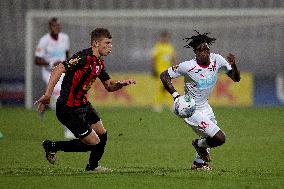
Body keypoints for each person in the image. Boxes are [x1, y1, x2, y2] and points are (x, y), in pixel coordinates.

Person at [34, 28, 136, 172]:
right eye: (107, 43)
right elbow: (58, 69)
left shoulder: (99, 63)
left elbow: (109, 86)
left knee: (102, 133)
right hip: (68, 108)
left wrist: (121, 84)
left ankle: (92, 166)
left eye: (111, 43)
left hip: (83, 104)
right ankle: (53, 146)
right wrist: (48, 94)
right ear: (95, 43)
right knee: (94, 142)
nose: (110, 46)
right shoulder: (83, 57)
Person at [160, 31, 240, 170]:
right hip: (191, 109)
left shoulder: (217, 60)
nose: (203, 52)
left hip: (205, 107)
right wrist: (176, 96)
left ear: (209, 50)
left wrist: (234, 66)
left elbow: (236, 78)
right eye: (199, 50)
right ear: (195, 52)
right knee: (220, 138)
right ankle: (198, 145)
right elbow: (164, 75)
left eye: (206, 49)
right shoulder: (188, 66)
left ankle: (198, 164)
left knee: (210, 138)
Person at [34, 17, 75, 139]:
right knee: (59, 99)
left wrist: (69, 66)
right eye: (54, 26)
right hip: (49, 73)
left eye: (58, 25)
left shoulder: (65, 38)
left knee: (67, 98)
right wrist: (51, 64)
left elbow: (67, 54)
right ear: (50, 27)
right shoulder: (44, 41)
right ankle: (68, 130)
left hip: (62, 71)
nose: (57, 27)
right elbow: (37, 60)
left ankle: (45, 105)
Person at [151, 31, 176, 112]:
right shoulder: (157, 47)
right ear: (161, 37)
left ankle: (171, 105)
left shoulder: (170, 47)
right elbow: (153, 58)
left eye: (166, 37)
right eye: (163, 37)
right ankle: (157, 105)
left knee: (169, 88)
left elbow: (173, 59)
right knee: (160, 88)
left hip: (168, 71)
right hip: (160, 71)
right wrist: (154, 69)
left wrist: (175, 69)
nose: (164, 39)